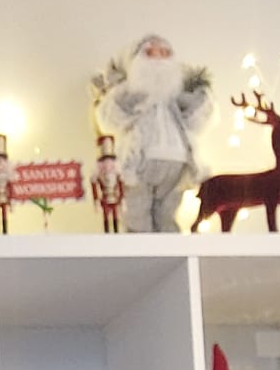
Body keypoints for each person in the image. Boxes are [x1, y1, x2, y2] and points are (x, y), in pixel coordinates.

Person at [91, 33, 215, 233]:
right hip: (138, 163)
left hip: (176, 162)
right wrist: (128, 99)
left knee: (168, 213)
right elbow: (108, 119)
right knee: (136, 211)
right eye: (150, 53)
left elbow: (198, 120)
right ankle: (140, 247)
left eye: (165, 53)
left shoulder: (177, 96)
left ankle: (168, 249)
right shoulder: (125, 92)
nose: (158, 59)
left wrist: (193, 101)